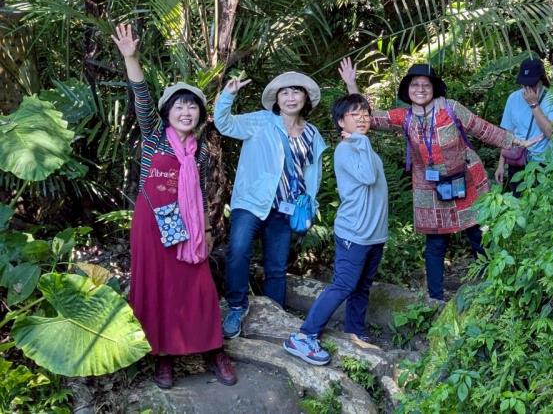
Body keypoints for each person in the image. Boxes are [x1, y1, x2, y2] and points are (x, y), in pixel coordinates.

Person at [338, 59, 535, 304]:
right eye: (415, 85)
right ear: (407, 90)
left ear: (434, 88)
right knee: (435, 245)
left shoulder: (450, 108)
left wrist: (516, 142)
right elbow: (369, 118)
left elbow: (482, 128)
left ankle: (495, 288)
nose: (420, 89)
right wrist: (351, 84)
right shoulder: (405, 117)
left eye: (426, 84)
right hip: (430, 190)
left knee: (478, 236)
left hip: (466, 181)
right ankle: (435, 300)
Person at [112, 23, 236, 390]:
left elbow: (207, 198)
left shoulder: (199, 153)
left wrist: (209, 231)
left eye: (192, 106)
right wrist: (131, 58)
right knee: (155, 288)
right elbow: (142, 99)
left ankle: (214, 351)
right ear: (168, 112)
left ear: (199, 114)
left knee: (200, 288)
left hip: (188, 229)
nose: (186, 111)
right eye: (180, 105)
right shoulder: (153, 136)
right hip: (152, 225)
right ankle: (162, 357)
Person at [214, 71, 327, 339]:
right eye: (284, 93)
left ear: (305, 98)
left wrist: (309, 202)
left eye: (296, 92)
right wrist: (228, 95)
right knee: (238, 251)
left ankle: (275, 314)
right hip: (251, 203)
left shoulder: (312, 133)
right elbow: (224, 124)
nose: (290, 97)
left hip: (285, 208)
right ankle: (237, 307)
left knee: (276, 266)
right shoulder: (260, 121)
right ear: (276, 98)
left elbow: (313, 172)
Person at [284, 94, 389, 365]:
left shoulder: (361, 145)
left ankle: (354, 332)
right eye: (355, 114)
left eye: (365, 112)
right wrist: (361, 140)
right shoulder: (347, 148)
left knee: (361, 287)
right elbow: (368, 177)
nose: (363, 117)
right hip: (355, 232)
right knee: (343, 284)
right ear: (342, 121)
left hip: (373, 234)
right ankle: (304, 336)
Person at [495, 58, 553, 194]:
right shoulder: (513, 98)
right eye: (524, 85)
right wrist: (501, 165)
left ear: (541, 79)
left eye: (532, 84)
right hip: (518, 162)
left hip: (546, 165)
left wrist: (534, 105)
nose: (527, 89)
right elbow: (507, 135)